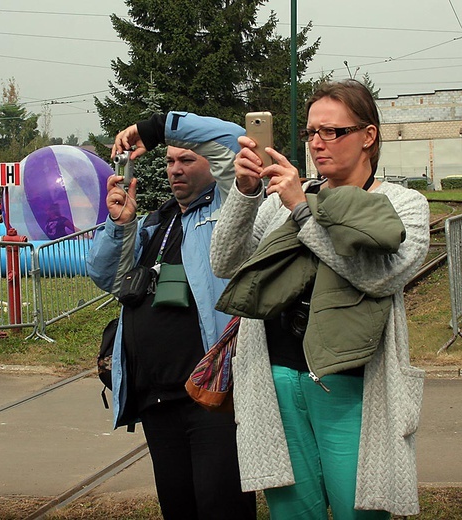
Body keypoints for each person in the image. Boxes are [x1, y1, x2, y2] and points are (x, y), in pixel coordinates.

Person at [209, 80, 430, 518]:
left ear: (368, 136)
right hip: (276, 380)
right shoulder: (282, 199)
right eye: (311, 132)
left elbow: (380, 278)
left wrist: (303, 212)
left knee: (359, 509)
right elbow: (224, 261)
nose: (317, 143)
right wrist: (246, 191)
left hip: (353, 387)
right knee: (293, 512)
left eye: (332, 132)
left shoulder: (403, 204)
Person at [86, 112, 255, 519]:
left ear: (210, 165)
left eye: (187, 159)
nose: (175, 169)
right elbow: (107, 276)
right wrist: (120, 225)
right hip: (158, 396)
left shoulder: (229, 208)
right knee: (178, 508)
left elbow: (236, 142)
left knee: (221, 506)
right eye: (170, 162)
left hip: (212, 395)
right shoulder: (156, 223)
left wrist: (157, 128)